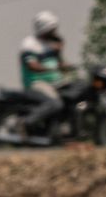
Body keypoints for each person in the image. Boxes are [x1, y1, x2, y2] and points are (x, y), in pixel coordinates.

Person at [13, 10, 71, 139]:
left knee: (73, 94)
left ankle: (63, 127)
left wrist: (61, 57)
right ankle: (25, 123)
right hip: (37, 83)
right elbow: (32, 66)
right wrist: (54, 67)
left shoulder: (52, 44)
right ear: (45, 29)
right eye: (52, 29)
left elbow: (60, 64)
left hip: (56, 82)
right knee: (55, 103)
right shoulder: (29, 44)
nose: (55, 32)